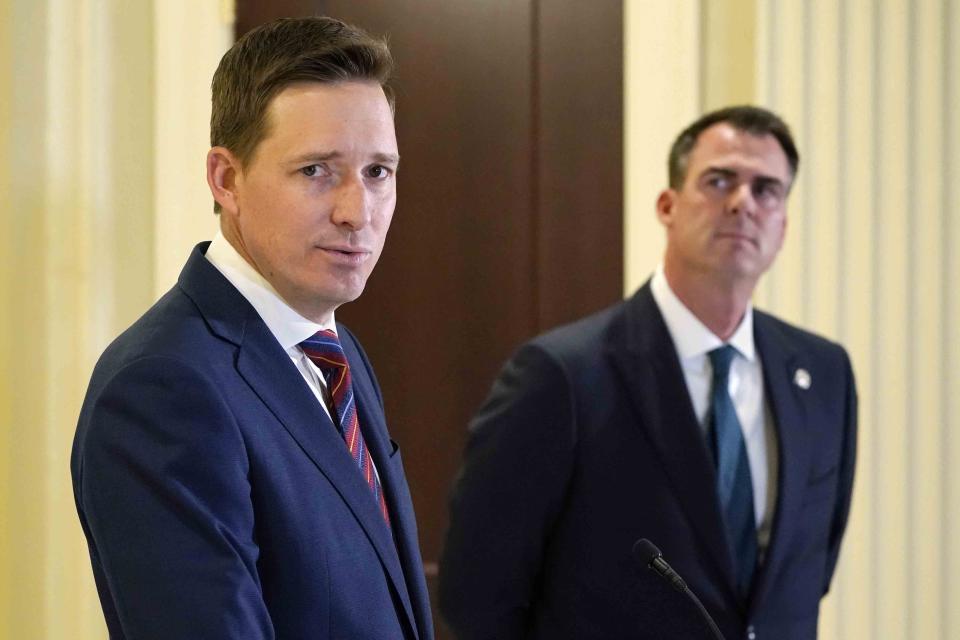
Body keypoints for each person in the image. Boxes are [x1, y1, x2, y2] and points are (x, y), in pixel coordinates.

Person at [71, 17, 433, 640]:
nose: (357, 213)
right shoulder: (162, 387)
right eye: (316, 170)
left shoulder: (336, 352)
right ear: (226, 179)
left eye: (378, 172)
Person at [439, 106, 856, 640]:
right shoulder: (562, 376)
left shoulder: (824, 374)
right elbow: (476, 594)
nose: (742, 204)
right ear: (668, 205)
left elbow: (805, 575)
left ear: (783, 224)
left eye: (766, 189)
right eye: (719, 180)